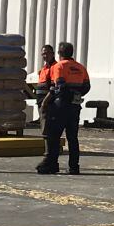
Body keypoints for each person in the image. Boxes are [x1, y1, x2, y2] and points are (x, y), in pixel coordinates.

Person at [37, 42, 90, 175]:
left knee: (54, 136)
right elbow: (87, 86)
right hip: (75, 106)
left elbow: (58, 87)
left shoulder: (59, 66)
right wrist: (76, 95)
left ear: (59, 54)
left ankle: (51, 164)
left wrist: (45, 102)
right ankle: (74, 166)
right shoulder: (80, 67)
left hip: (60, 106)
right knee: (73, 138)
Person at [34, 44, 55, 123]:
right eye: (43, 54)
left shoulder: (55, 67)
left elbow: (53, 87)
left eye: (47, 53)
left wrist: (45, 101)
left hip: (48, 102)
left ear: (52, 54)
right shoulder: (43, 69)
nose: (45, 56)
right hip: (41, 101)